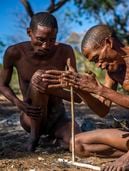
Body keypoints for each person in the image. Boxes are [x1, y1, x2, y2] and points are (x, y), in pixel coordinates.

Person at [42, 24, 129, 170]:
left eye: (97, 58)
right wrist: (80, 88)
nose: (99, 65)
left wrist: (99, 89)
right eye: (94, 62)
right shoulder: (113, 72)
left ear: (109, 43)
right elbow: (103, 110)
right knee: (77, 144)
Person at [0, 12, 105, 152]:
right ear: (29, 32)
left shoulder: (65, 51)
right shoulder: (14, 53)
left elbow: (79, 98)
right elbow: (2, 85)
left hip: (59, 118)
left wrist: (53, 89)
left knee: (77, 144)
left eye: (52, 39)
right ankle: (34, 136)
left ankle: (54, 140)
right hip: (31, 117)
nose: (46, 45)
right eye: (40, 39)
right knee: (40, 76)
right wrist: (20, 105)